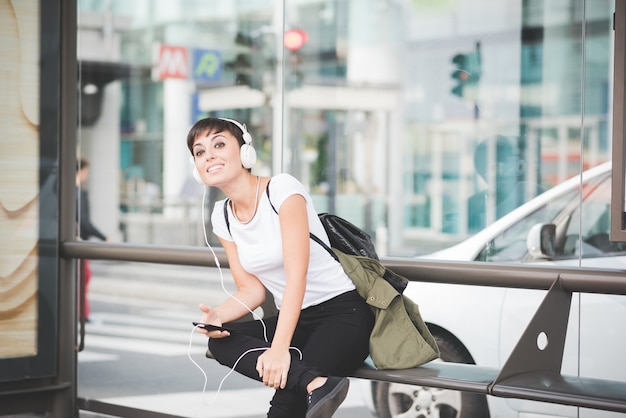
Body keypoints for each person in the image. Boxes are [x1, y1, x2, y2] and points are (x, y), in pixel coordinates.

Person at [188, 117, 374, 418]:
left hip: (343, 314)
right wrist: (218, 316)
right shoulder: (221, 216)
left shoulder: (282, 190)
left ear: (245, 151)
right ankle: (315, 382)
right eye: (199, 152)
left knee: (286, 405)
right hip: (298, 318)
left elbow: (296, 276)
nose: (209, 155)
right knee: (220, 343)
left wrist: (278, 349)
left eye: (219, 144)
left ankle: (310, 383)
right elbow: (252, 290)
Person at [76, 157, 109, 321]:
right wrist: (104, 237)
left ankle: (80, 313)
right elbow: (85, 222)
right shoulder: (79, 193)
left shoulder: (64, 191)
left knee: (79, 278)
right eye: (85, 171)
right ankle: (81, 314)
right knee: (83, 278)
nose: (87, 175)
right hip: (80, 244)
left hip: (76, 242)